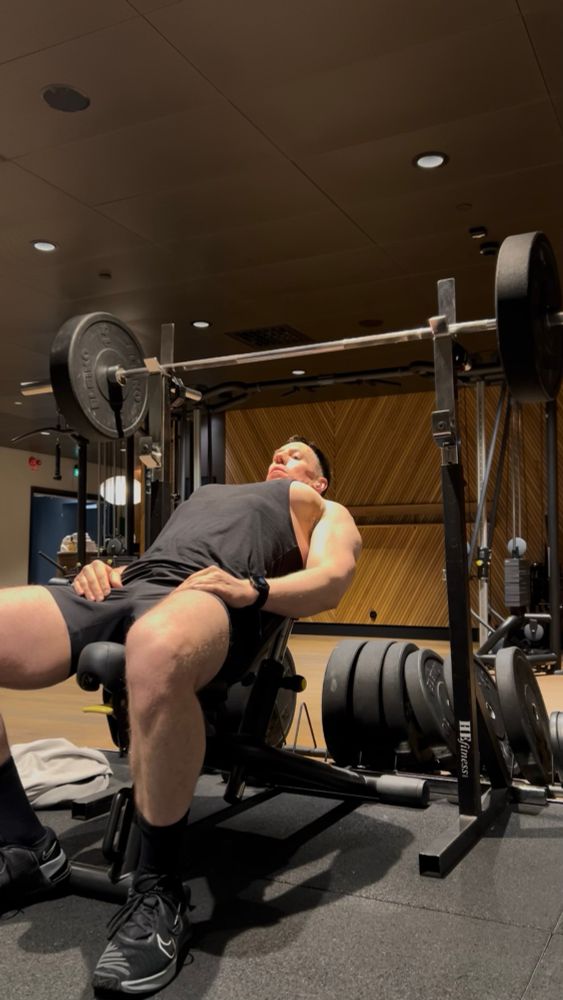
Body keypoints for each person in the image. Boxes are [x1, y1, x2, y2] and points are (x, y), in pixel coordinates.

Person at [0, 436, 361, 995]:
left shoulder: (320, 507)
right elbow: (160, 555)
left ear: (319, 481)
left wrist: (252, 588)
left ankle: (159, 889)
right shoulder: (208, 495)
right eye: (277, 451)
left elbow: (332, 579)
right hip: (126, 585)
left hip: (206, 594)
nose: (280, 457)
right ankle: (25, 846)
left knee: (156, 649)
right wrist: (106, 568)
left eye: (296, 456)